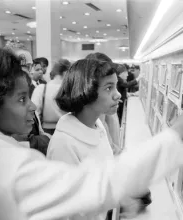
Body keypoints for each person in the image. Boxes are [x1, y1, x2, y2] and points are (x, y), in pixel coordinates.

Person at [0, 48, 183, 220]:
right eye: (21, 100)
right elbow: (93, 187)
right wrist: (174, 136)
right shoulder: (6, 165)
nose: (32, 106)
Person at [46, 59, 143, 220]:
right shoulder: (64, 144)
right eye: (108, 88)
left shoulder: (97, 125)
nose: (117, 94)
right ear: (86, 92)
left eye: (116, 85)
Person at [31, 59, 71, 135]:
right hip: (67, 131)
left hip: (45, 130)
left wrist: (40, 132)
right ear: (65, 73)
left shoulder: (41, 88)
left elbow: (34, 112)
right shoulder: (70, 90)